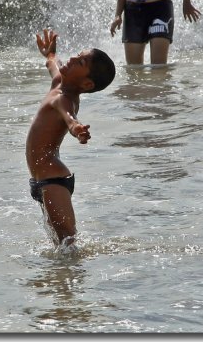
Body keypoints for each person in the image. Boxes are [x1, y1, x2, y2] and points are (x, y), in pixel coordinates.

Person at [26, 29, 116, 249]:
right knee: (60, 247)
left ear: (86, 84)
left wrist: (78, 130)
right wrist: (49, 54)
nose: (74, 58)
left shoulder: (65, 99)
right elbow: (52, 64)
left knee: (68, 244)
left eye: (81, 62)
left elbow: (70, 119)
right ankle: (61, 281)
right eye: (77, 55)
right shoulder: (59, 82)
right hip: (42, 180)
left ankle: (76, 280)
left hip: (53, 180)